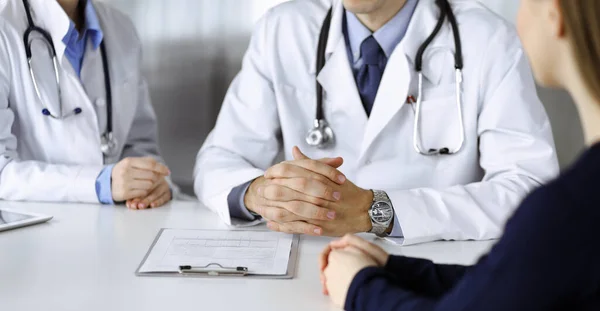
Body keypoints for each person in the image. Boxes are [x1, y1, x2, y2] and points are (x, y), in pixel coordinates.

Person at [319, 0, 600, 311]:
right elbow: (515, 276)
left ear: (554, 15)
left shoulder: (569, 210)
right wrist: (400, 270)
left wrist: (359, 286)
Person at [194, 0, 559, 245]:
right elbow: (220, 158)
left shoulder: (486, 39)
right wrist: (258, 193)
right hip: (305, 271)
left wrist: (375, 211)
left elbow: (528, 188)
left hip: (437, 271)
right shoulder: (283, 29)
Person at [0, 0, 172, 209]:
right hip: (33, 230)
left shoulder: (121, 28)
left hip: (119, 226)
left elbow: (139, 144)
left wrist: (152, 181)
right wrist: (101, 184)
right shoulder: (4, 25)